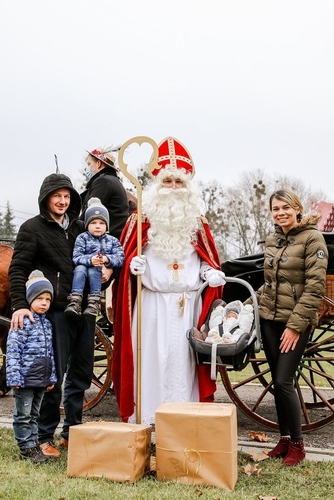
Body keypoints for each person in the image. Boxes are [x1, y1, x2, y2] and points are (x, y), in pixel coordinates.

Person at [111, 136, 227, 424]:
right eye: (167, 182)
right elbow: (123, 265)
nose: (173, 189)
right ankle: (147, 421)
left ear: (187, 186)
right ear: (156, 185)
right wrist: (131, 266)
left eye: (179, 183)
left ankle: (183, 423)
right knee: (150, 363)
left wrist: (208, 273)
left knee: (182, 365)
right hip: (151, 307)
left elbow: (204, 260)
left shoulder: (197, 221)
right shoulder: (139, 220)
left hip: (187, 307)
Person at [8, 173, 106, 459]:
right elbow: (17, 269)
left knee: (81, 374)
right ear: (46, 198)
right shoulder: (32, 229)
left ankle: (72, 431)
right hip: (55, 313)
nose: (62, 201)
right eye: (57, 196)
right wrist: (19, 304)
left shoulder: (81, 229)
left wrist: (107, 271)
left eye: (67, 197)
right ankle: (43, 435)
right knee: (52, 376)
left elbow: (96, 263)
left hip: (85, 310)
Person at [255, 188, 327, 467]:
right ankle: (284, 439)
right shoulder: (273, 239)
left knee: (284, 381)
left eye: (285, 207)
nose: (281, 213)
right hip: (270, 320)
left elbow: (314, 288)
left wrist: (296, 326)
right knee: (278, 381)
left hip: (295, 322)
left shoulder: (313, 238)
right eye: (275, 209)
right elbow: (270, 283)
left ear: (297, 208)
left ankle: (297, 445)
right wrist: (253, 307)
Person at [6, 270, 57, 464]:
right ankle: (26, 448)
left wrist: (51, 377)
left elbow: (49, 353)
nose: (44, 303)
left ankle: (34, 444)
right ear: (29, 300)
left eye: (47, 299)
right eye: (39, 298)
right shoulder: (22, 323)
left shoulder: (48, 324)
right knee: (23, 415)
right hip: (25, 379)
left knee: (35, 414)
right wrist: (14, 378)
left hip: (41, 379)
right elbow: (13, 352)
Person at [65, 197, 125, 317]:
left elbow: (121, 258)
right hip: (84, 270)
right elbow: (76, 256)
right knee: (80, 269)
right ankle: (75, 299)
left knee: (94, 270)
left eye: (101, 223)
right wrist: (90, 260)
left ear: (107, 225)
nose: (97, 226)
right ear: (87, 224)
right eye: (93, 223)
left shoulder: (112, 240)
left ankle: (94, 301)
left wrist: (106, 259)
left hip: (99, 273)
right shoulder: (82, 238)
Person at [81, 148, 129, 239]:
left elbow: (90, 211)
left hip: (104, 239)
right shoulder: (114, 181)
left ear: (99, 163)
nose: (88, 168)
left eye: (89, 164)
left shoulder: (103, 182)